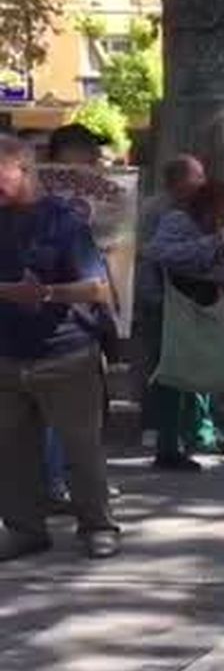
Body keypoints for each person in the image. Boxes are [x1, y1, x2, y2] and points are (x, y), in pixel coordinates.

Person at [0, 135, 121, 561]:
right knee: (11, 452)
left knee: (80, 449)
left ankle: (98, 526)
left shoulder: (64, 223)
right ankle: (24, 530)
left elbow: (98, 288)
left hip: (66, 355)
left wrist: (47, 293)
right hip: (7, 356)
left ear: (24, 169)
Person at [144, 178, 224, 470]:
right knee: (174, 378)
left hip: (202, 307)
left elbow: (219, 267)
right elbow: (162, 253)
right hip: (171, 308)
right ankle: (169, 447)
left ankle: (202, 434)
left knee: (205, 372)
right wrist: (216, 239)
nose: (222, 217)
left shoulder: (218, 229)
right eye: (220, 210)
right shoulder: (179, 220)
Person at [136, 155, 224, 455]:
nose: (203, 182)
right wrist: (207, 246)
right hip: (162, 298)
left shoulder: (193, 213)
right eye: (197, 177)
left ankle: (191, 430)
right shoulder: (162, 211)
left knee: (185, 367)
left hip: (186, 299)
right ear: (180, 182)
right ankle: (163, 431)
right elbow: (152, 251)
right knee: (165, 367)